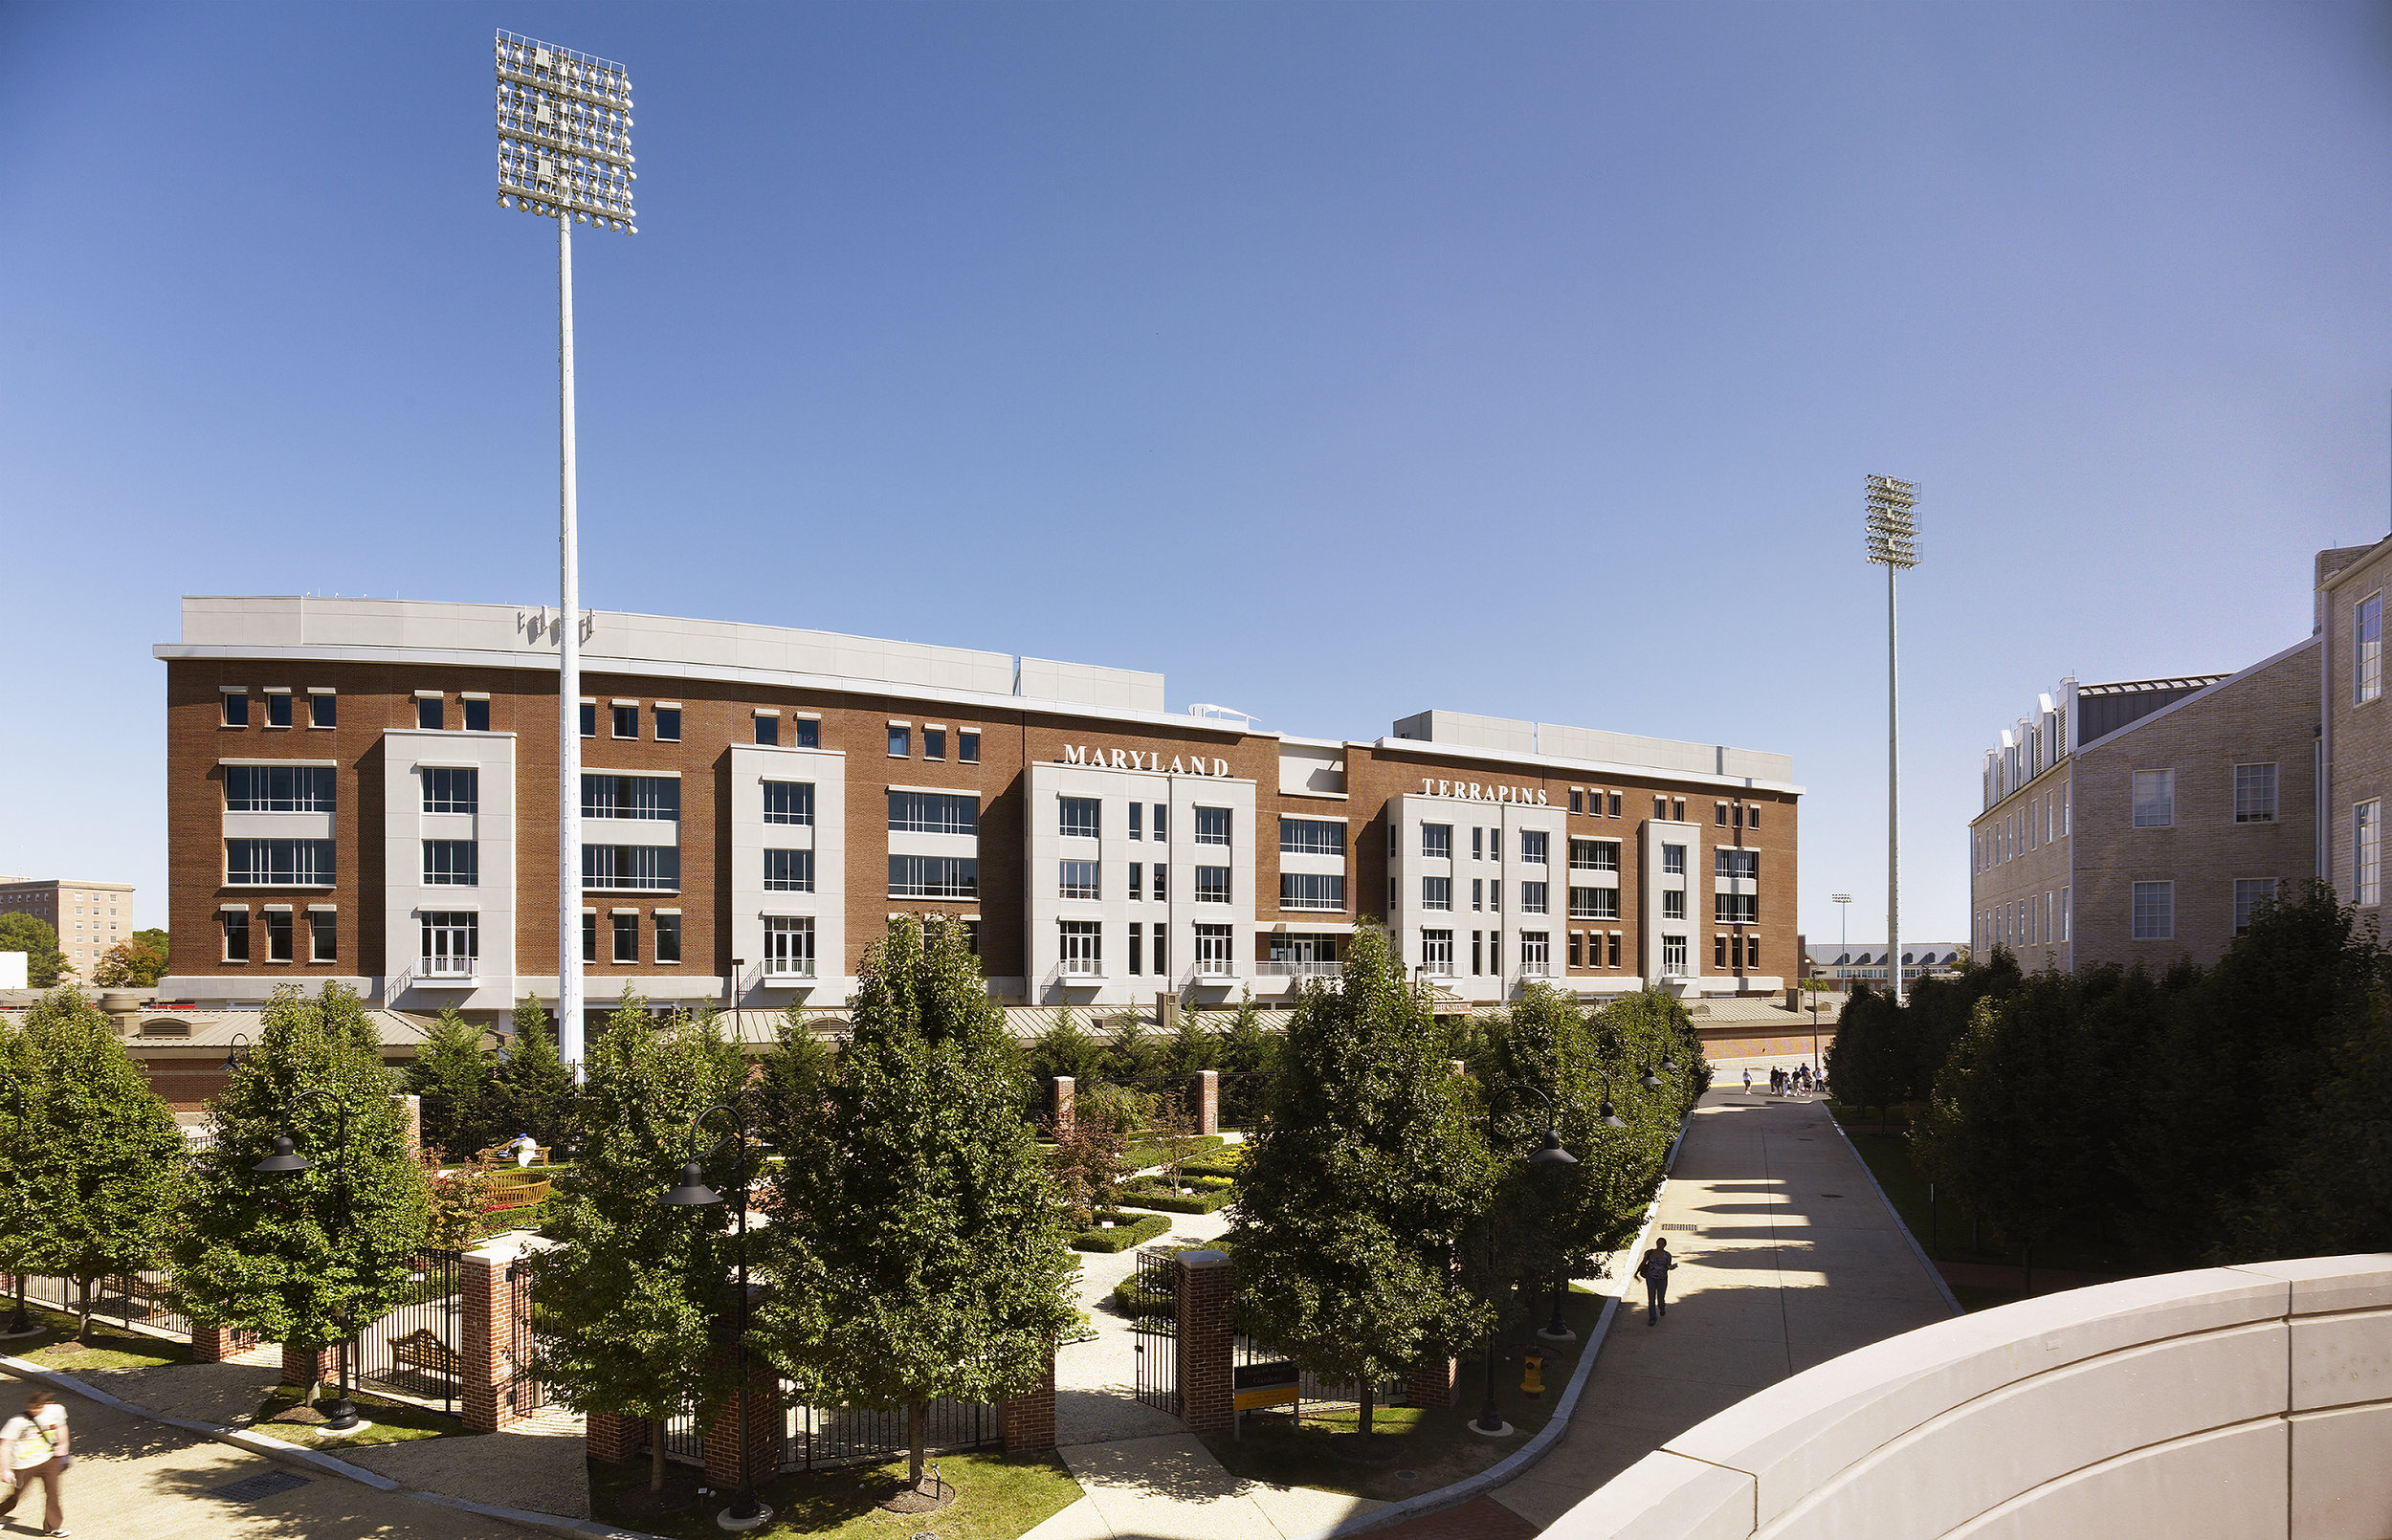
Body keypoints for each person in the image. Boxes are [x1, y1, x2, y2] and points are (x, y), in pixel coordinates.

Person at [0, 1388, 70, 1536]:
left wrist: (63, 1444)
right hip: (23, 1464)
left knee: (53, 1493)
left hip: (47, 1460)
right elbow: (5, 1445)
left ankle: (52, 1527)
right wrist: (6, 1469)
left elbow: (62, 1426)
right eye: (31, 1407)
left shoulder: (56, 1411)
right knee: (15, 1497)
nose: (33, 1410)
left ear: (47, 1404)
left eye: (37, 1408)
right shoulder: (17, 1421)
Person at [1636, 1238, 1678, 1325]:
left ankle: (1662, 1308)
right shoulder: (1649, 1253)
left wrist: (1672, 1267)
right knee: (1651, 1299)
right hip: (1650, 1278)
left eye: (1661, 1244)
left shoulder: (1667, 1255)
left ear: (1664, 1245)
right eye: (1658, 1243)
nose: (1659, 1245)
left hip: (1662, 1279)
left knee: (1660, 1298)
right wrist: (1636, 1273)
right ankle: (1652, 1318)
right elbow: (1643, 1263)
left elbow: (1668, 1266)